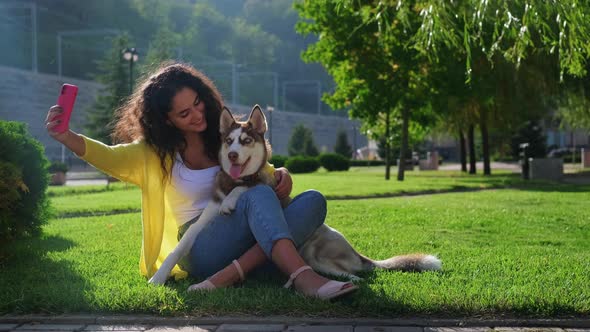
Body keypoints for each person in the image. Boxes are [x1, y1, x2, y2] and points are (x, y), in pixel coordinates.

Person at [45, 62, 357, 300]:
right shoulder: (155, 153)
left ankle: (235, 274)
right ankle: (303, 278)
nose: (197, 113)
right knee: (255, 196)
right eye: (184, 113)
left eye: (197, 102)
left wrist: (281, 175)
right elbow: (110, 157)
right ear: (168, 120)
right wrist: (65, 136)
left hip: (245, 236)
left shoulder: (220, 134)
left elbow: (257, 167)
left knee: (313, 200)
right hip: (201, 246)